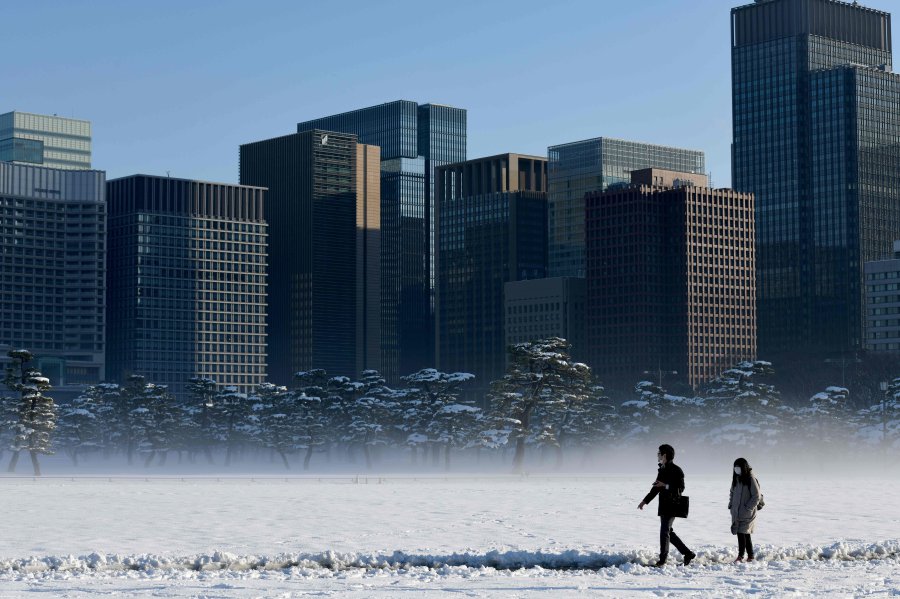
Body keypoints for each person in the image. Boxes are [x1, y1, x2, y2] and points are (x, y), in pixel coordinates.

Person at [638, 443, 696, 567]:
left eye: (659, 453)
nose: (657, 455)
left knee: (664, 531)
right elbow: (656, 488)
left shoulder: (677, 470)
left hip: (673, 505)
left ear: (664, 455)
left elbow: (680, 489)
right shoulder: (662, 469)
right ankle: (688, 553)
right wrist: (645, 501)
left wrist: (665, 485)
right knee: (668, 531)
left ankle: (662, 560)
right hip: (664, 505)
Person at [728, 457, 761, 563]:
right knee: (744, 534)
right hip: (737, 511)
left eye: (738, 467)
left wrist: (748, 508)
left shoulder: (750, 478)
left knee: (741, 533)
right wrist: (731, 505)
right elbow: (732, 493)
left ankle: (741, 556)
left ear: (743, 467)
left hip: (747, 513)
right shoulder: (737, 478)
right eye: (735, 467)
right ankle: (750, 556)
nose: (736, 469)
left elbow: (756, 496)